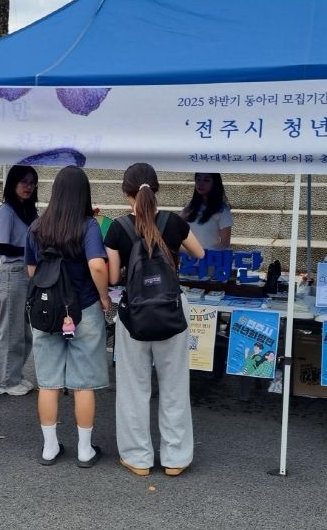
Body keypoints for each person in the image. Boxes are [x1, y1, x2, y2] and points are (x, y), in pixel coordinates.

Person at [104, 162, 204, 477]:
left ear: (126, 192)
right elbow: (200, 253)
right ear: (156, 189)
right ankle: (176, 458)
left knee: (133, 387)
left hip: (134, 313)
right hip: (171, 308)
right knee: (175, 385)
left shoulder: (117, 228)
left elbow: (112, 276)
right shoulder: (174, 222)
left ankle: (138, 458)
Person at [25, 165, 110, 467]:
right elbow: (97, 265)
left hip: (46, 311)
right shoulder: (88, 226)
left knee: (48, 382)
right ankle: (85, 450)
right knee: (83, 383)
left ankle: (49, 447)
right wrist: (103, 297)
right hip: (83, 309)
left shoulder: (37, 227)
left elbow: (32, 271)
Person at [0, 165, 39, 396]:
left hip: (26, 274)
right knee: (12, 331)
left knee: (24, 332)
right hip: (12, 272)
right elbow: (1, 246)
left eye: (32, 182)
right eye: (23, 182)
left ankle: (14, 375)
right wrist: (30, 251)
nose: (28, 186)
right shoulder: (8, 211)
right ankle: (4, 382)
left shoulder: (30, 211)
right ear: (13, 183)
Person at [181, 173, 233, 249]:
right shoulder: (189, 207)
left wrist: (204, 253)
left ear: (215, 183)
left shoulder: (222, 211)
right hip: (187, 255)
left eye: (206, 180)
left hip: (209, 255)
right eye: (198, 179)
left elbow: (225, 244)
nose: (200, 184)